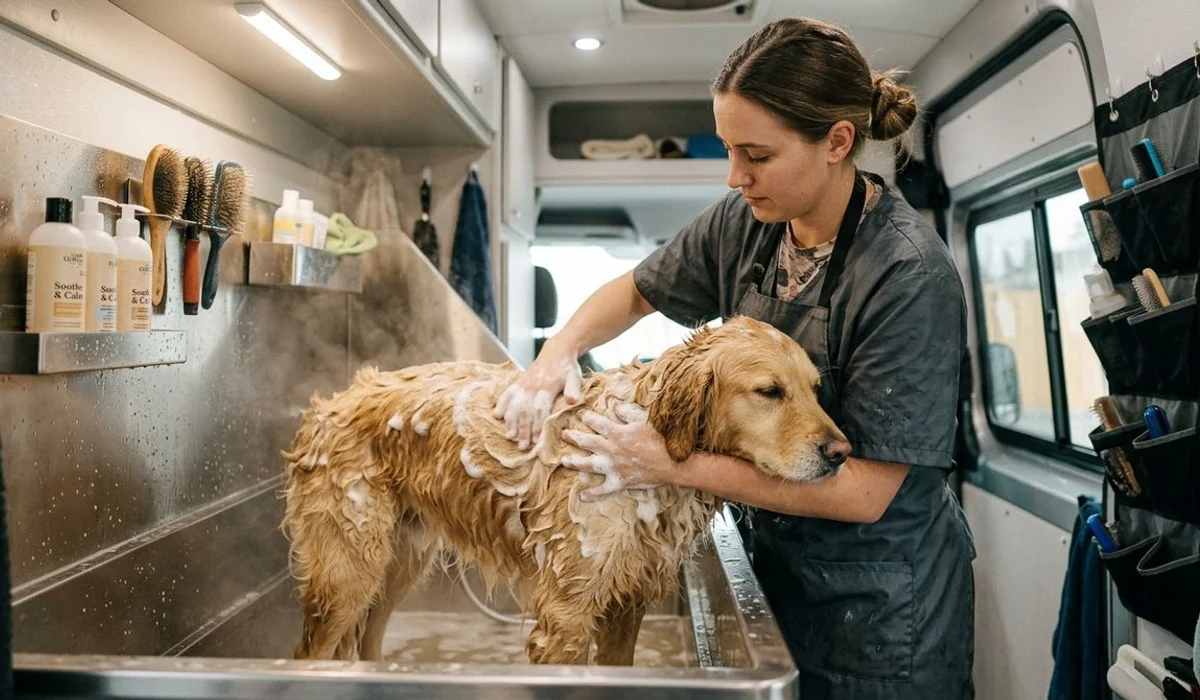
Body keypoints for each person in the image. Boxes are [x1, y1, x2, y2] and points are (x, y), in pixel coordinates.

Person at [494, 16, 976, 700]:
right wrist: (556, 354)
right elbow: (635, 292)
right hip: (775, 568)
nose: (734, 176)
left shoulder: (907, 275)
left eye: (756, 154)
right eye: (729, 150)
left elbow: (868, 491)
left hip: (879, 609)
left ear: (838, 141)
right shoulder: (748, 220)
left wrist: (670, 462)